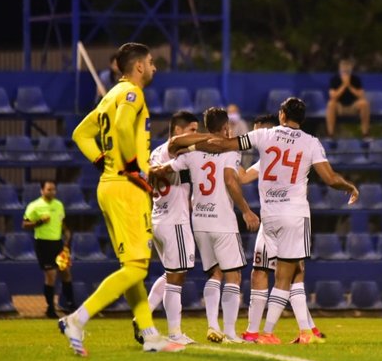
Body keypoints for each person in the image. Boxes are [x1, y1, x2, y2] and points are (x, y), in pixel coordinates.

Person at [166, 97, 359, 344]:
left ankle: (290, 330)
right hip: (295, 214)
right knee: (288, 276)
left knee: (268, 273)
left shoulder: (264, 137)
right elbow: (330, 178)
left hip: (269, 216)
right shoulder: (312, 142)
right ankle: (275, 331)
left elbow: (224, 146)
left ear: (281, 114)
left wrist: (191, 146)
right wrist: (349, 186)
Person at [63, 42, 184, 356]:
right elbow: (120, 126)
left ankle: (149, 333)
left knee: (132, 266)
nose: (155, 68)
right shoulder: (132, 93)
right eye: (152, 62)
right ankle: (77, 319)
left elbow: (80, 134)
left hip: (108, 184)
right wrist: (130, 166)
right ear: (140, 66)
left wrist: (102, 160)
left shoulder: (109, 97)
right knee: (137, 270)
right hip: (127, 188)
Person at [153, 107, 260, 344]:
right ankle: (230, 333)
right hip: (222, 220)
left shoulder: (193, 150)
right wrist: (246, 210)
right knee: (233, 276)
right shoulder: (230, 149)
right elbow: (231, 180)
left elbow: (166, 168)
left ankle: (213, 325)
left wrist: (153, 170)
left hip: (199, 221)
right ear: (226, 128)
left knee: (215, 273)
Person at [237, 115, 324, 343]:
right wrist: (233, 158)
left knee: (293, 274)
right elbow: (244, 177)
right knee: (262, 272)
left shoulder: (284, 149)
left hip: (287, 220)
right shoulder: (266, 159)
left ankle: (306, 330)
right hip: (273, 223)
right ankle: (255, 332)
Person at [132, 111, 200, 346]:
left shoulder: (156, 152)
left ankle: (142, 316)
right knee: (176, 278)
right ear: (178, 131)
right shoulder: (171, 149)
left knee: (171, 273)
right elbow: (178, 144)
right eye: (192, 130)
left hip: (160, 218)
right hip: (174, 221)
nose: (195, 135)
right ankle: (175, 333)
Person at [23, 180, 74, 319]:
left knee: (66, 272)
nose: (52, 192)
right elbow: (25, 224)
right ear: (42, 191)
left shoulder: (59, 205)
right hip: (43, 244)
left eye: (53, 189)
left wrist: (66, 231)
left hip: (58, 243)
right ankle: (50, 308)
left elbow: (61, 220)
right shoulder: (34, 206)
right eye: (49, 189)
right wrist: (39, 222)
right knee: (51, 275)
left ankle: (71, 305)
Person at [326, 58, 370, 139]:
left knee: (364, 103)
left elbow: (361, 95)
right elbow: (333, 96)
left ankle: (365, 134)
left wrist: (349, 85)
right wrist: (344, 85)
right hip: (340, 107)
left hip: (353, 106)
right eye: (343, 69)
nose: (345, 71)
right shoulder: (334, 79)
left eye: (347, 69)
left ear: (351, 69)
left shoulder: (356, 79)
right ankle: (330, 135)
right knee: (331, 104)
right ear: (340, 69)